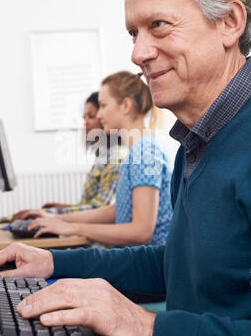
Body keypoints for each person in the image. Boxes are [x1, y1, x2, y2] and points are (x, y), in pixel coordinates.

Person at [0, 0, 251, 336]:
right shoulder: (197, 144)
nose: (137, 53)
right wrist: (54, 262)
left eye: (159, 25)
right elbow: (179, 264)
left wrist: (146, 329)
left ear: (230, 22)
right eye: (133, 34)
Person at [18, 71, 173, 247]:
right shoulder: (138, 150)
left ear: (126, 106)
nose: (99, 115)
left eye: (103, 105)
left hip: (149, 264)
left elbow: (141, 232)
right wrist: (58, 219)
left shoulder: (145, 152)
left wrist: (74, 228)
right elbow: (117, 211)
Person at [12, 91, 122, 218]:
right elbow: (91, 205)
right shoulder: (103, 155)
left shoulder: (115, 158)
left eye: (91, 116)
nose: (85, 122)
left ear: (105, 118)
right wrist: (63, 207)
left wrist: (45, 214)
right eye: (84, 118)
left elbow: (100, 209)